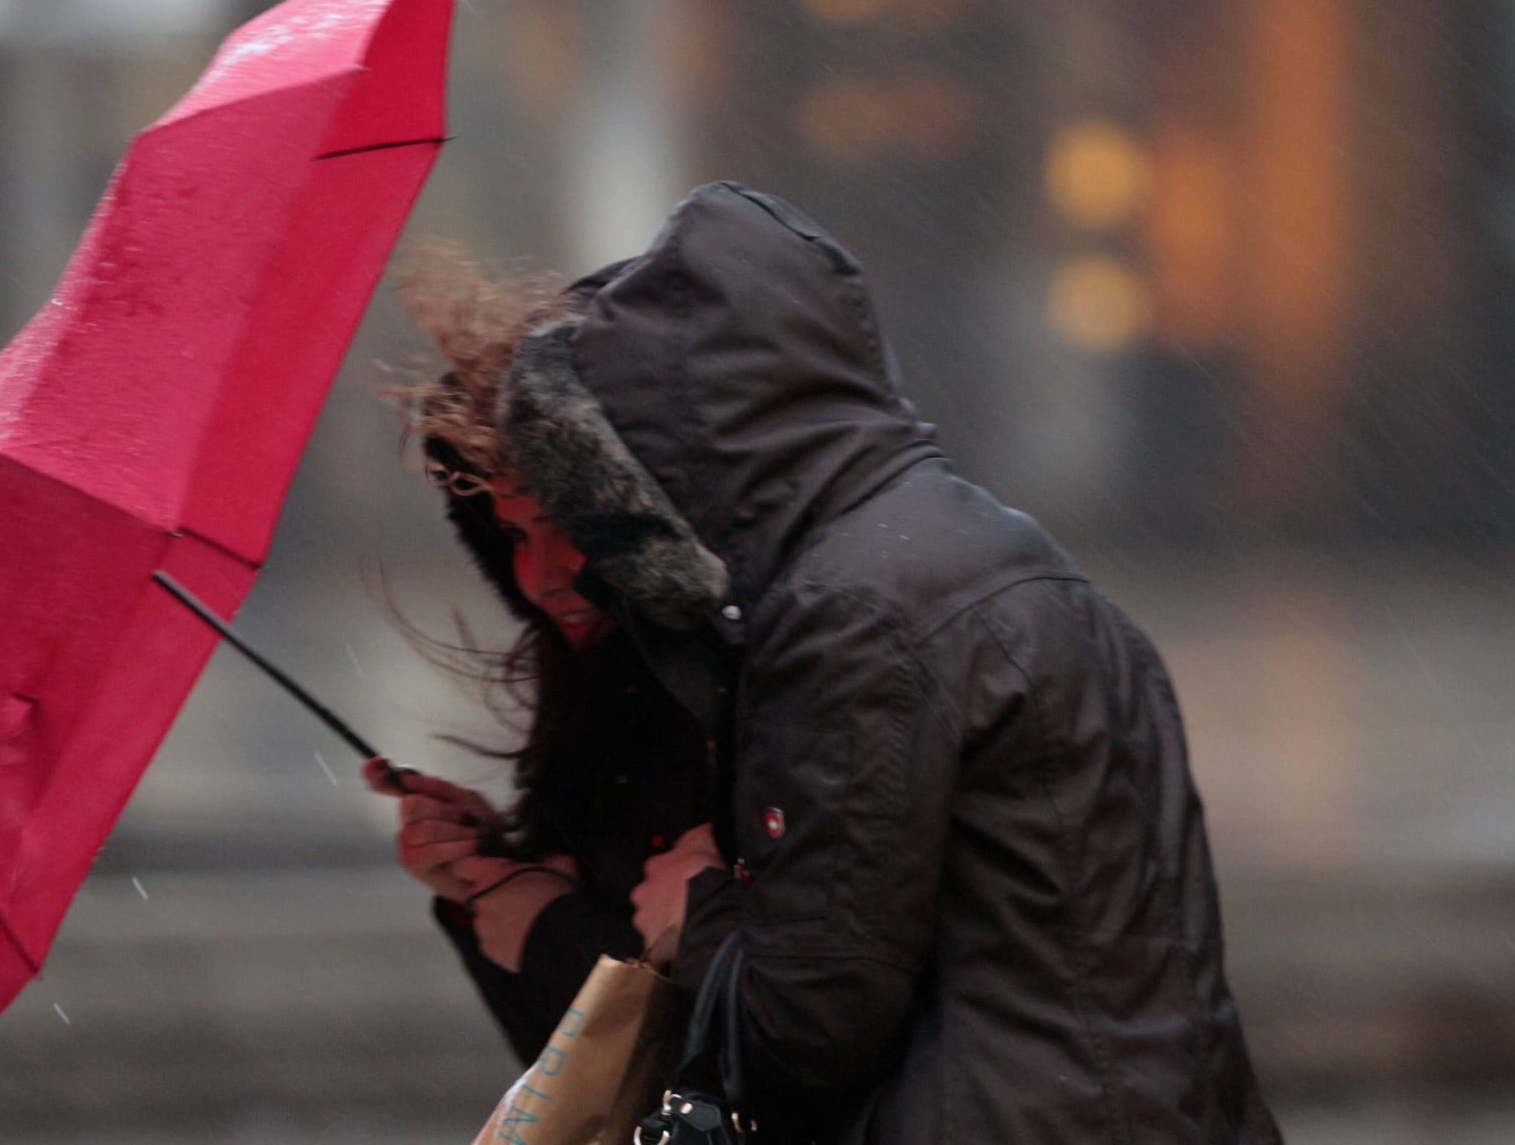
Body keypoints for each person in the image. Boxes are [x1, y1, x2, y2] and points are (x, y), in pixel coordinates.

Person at [487, 182, 1284, 1143]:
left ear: (679, 439)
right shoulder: (983, 552)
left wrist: (692, 911)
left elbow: (807, 1029)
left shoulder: (849, 619)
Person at [363, 257, 716, 1065]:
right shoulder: (601, 704)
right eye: (517, 536)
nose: (539, 575)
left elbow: (762, 1053)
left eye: (570, 524)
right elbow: (577, 1085)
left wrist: (551, 930)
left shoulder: (738, 701)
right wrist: (497, 879)